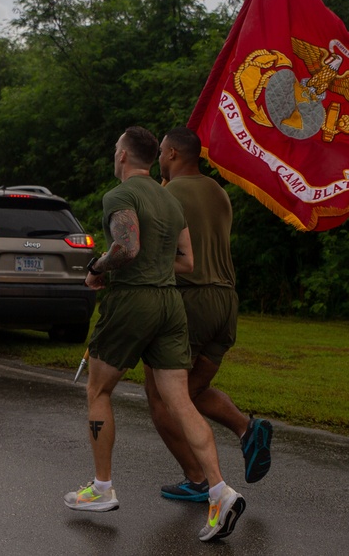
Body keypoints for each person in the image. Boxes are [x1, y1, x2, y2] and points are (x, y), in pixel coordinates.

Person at [63, 126, 246, 543]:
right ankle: (220, 492)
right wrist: (152, 269)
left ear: (125, 157)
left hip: (133, 303)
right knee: (180, 400)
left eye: (115, 150)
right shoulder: (169, 198)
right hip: (170, 305)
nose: (114, 156)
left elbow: (126, 248)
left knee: (98, 391)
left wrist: (96, 269)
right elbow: (186, 261)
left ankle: (101, 488)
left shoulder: (120, 196)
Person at [145, 126, 273, 503]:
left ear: (171, 154)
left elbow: (158, 253)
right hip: (226, 301)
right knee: (191, 391)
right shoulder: (219, 191)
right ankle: (248, 429)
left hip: (190, 299)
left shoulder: (168, 193)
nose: (158, 160)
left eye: (161, 153)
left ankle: (198, 479)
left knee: (162, 396)